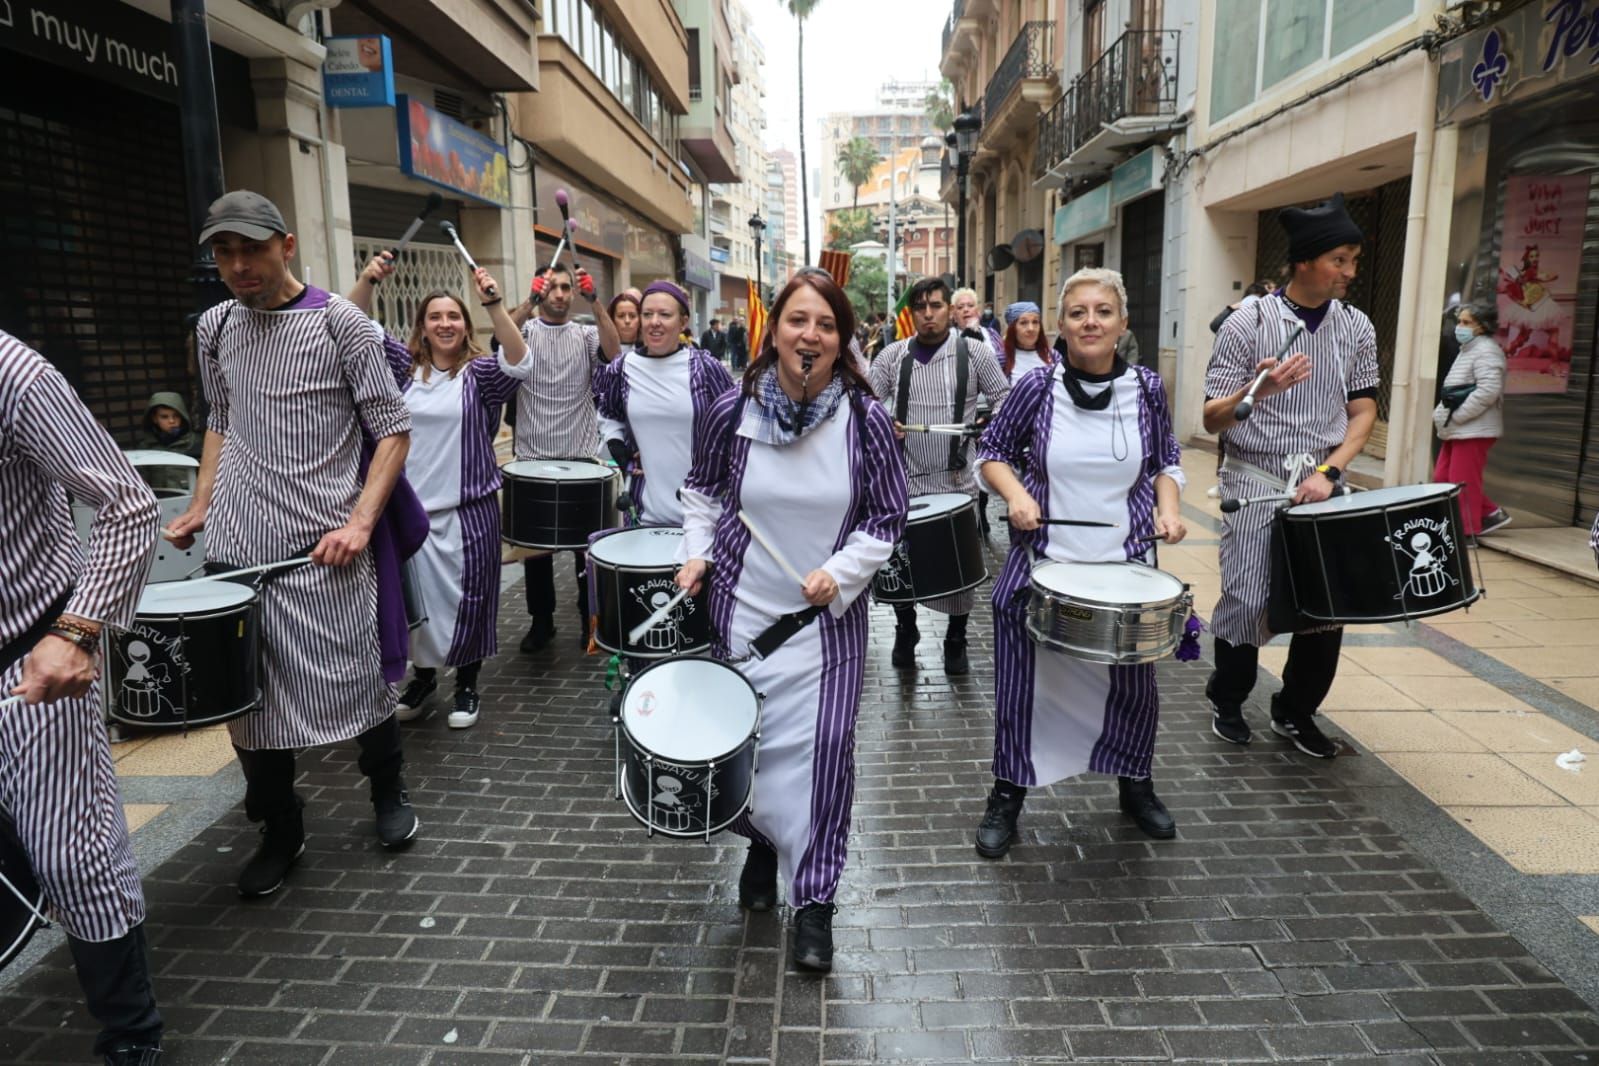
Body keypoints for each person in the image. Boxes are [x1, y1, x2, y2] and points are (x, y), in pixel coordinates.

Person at [166, 190, 425, 898]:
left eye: (251, 249)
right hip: (238, 545)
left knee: (360, 679)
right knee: (249, 701)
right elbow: (220, 418)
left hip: (326, 546)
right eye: (224, 252)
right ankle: (279, 827)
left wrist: (361, 524)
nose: (238, 265)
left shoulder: (342, 324)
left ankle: (388, 788)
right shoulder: (216, 325)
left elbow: (393, 431)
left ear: (286, 245)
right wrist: (202, 502)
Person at [674, 272, 908, 973]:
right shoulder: (730, 409)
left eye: (826, 325)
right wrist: (695, 554)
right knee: (751, 746)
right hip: (742, 612)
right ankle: (760, 843)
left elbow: (886, 517)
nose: (810, 335)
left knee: (825, 753)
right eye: (797, 321)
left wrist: (841, 571)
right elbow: (702, 493)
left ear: (842, 341)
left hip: (824, 624)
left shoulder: (866, 421)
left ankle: (815, 902)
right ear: (773, 330)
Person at [974, 268, 1188, 856]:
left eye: (1102, 311)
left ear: (1122, 323)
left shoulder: (1147, 388)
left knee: (1133, 686)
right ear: (1061, 326)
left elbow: (1165, 462)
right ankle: (1008, 791)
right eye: (1077, 313)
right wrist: (1016, 495)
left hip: (1124, 567)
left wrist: (1169, 511)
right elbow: (991, 453)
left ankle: (1135, 783)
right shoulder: (1035, 387)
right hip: (1045, 563)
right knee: (1023, 686)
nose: (1090, 322)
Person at [2, 331, 165, 1064]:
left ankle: (130, 1029)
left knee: (70, 852)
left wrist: (75, 632)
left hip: (32, 654)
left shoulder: (14, 373)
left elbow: (128, 505)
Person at [1202, 191, 1379, 759]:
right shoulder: (1248, 322)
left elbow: (1363, 412)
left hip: (1322, 480)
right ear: (1304, 260)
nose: (1350, 272)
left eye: (1353, 260)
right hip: (1255, 478)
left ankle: (1296, 711)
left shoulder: (1357, 327)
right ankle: (1229, 699)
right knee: (1248, 595)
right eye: (1339, 260)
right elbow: (1210, 416)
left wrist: (1330, 470)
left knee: (1325, 604)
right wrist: (1259, 389)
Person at [349, 254, 530, 728]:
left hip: (469, 512)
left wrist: (494, 305)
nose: (445, 324)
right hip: (410, 514)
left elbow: (519, 361)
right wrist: (368, 280)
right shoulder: (400, 368)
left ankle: (467, 685)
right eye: (435, 317)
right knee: (417, 604)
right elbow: (352, 325)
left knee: (472, 599)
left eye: (453, 316)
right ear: (422, 327)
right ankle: (425, 679)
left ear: (465, 325)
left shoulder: (481, 374)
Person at [869, 276, 1010, 675]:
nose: (928, 314)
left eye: (936, 305)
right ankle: (906, 628)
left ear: (949, 309)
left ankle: (956, 636)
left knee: (959, 566)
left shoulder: (974, 353)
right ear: (911, 313)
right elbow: (866, 404)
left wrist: (988, 424)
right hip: (905, 480)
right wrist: (883, 423)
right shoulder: (892, 356)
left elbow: (1004, 400)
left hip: (957, 481)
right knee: (902, 564)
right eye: (920, 307)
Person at [503, 262, 621, 651]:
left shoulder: (586, 335)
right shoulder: (524, 332)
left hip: (581, 459)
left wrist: (596, 301)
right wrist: (528, 302)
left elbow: (614, 351)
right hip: (532, 459)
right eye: (551, 287)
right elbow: (499, 340)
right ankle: (541, 623)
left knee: (586, 552)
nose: (559, 293)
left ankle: (590, 621)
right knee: (535, 553)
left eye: (566, 287)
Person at [595, 281, 735, 526]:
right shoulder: (623, 368)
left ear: (683, 322)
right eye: (647, 314)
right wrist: (616, 443)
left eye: (665, 315)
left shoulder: (705, 367)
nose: (654, 322)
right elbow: (608, 413)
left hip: (702, 515)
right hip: (643, 513)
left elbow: (735, 423)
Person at [1434, 300, 1511, 539]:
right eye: (1459, 321)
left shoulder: (1487, 351)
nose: (1460, 327)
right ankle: (1490, 513)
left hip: (1473, 428)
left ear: (1482, 326)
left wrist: (1458, 415)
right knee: (1443, 478)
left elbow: (1488, 390)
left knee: (1462, 481)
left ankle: (1465, 531)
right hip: (1458, 427)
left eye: (1466, 322)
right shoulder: (1469, 349)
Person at [135, 391, 203, 492]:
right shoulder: (146, 447)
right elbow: (140, 483)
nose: (172, 421)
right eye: (164, 417)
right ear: (155, 419)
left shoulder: (195, 443)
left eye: (176, 416)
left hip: (189, 497)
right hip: (159, 499)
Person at [1000, 301, 1055, 384]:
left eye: (1035, 322)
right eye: (1023, 323)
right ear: (1012, 328)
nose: (1031, 328)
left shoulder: (1053, 356)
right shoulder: (1001, 360)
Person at [1210, 279, 1275, 334]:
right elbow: (1214, 326)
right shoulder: (1252, 303)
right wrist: (1230, 309)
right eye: (1269, 288)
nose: (1274, 290)